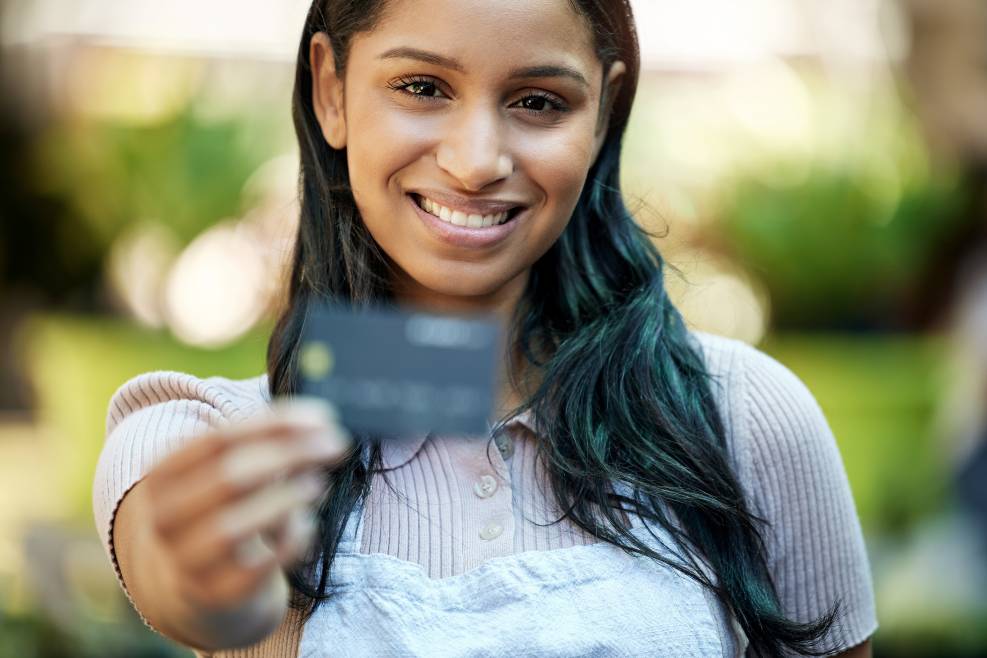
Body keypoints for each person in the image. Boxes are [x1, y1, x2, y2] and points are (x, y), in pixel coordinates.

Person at [92, 1, 878, 656]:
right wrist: (205, 578)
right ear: (331, 90)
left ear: (603, 112)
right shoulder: (209, 432)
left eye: (538, 101)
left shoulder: (742, 416)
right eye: (422, 86)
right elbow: (175, 563)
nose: (475, 161)